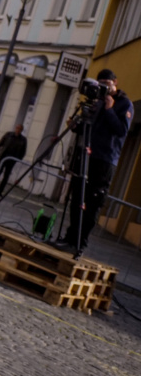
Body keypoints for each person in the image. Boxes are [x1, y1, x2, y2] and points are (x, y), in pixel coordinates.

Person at [58, 70, 133, 253]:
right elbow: (88, 127)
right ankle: (69, 238)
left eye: (107, 83)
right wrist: (75, 125)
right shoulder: (96, 102)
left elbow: (121, 131)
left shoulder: (124, 104)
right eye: (100, 83)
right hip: (86, 156)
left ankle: (79, 243)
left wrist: (109, 109)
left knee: (92, 203)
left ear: (115, 82)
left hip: (105, 160)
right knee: (77, 198)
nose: (103, 87)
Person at [0, 122, 29, 195]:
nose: (18, 130)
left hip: (12, 159)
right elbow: (0, 143)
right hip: (4, 156)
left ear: (21, 130)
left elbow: (23, 151)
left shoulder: (23, 140)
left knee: (6, 175)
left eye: (19, 129)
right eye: (17, 128)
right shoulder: (8, 135)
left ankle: (0, 191)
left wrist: (18, 159)